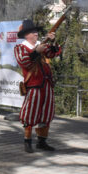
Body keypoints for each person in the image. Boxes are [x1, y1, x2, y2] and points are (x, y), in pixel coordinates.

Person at [14, 19, 62, 153]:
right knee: (30, 114)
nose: (36, 34)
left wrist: (52, 41)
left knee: (46, 114)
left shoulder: (41, 45)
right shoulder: (20, 48)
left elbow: (53, 53)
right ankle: (27, 141)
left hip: (47, 85)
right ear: (26, 35)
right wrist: (36, 51)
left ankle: (42, 141)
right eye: (33, 32)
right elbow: (24, 62)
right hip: (33, 86)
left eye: (36, 32)